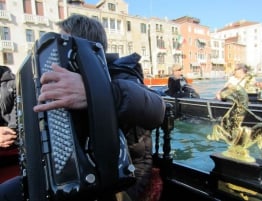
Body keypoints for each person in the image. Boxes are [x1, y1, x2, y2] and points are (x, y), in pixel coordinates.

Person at [0, 14, 166, 201]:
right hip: (69, 174)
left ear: (80, 47)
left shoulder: (120, 74)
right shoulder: (63, 80)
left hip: (123, 179)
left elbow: (158, 109)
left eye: (60, 45)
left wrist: (94, 91)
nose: (54, 56)